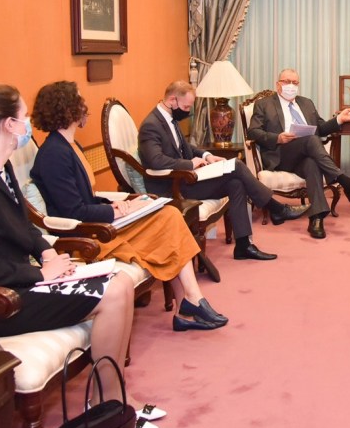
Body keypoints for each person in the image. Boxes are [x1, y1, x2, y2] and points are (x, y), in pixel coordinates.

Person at [0, 78, 163, 428]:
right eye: (24, 117)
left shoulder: (0, 168)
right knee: (112, 294)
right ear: (9, 125)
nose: (29, 124)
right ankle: (108, 406)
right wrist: (41, 275)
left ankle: (112, 398)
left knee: (122, 283)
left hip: (18, 283)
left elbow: (24, 226)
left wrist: (47, 252)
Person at [31, 81, 228, 332]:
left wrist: (115, 202)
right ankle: (190, 304)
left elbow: (85, 198)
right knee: (168, 219)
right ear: (68, 109)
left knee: (168, 215)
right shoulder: (53, 154)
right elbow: (73, 212)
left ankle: (189, 303)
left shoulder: (69, 146)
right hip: (87, 235)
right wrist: (115, 211)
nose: (85, 106)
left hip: (97, 222)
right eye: (80, 101)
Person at [138, 80, 310, 259]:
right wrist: (190, 164)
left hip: (185, 179)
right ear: (172, 100)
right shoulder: (151, 125)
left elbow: (186, 147)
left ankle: (243, 246)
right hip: (172, 187)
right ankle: (277, 208)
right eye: (186, 107)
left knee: (236, 183)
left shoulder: (169, 119)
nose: (187, 111)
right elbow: (156, 161)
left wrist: (207, 156)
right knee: (236, 165)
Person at [246, 68, 350, 240]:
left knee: (312, 163)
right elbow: (253, 132)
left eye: (295, 82)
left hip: (304, 155)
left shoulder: (306, 103)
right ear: (278, 84)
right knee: (312, 140)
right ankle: (344, 181)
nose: (291, 86)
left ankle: (316, 219)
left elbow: (321, 128)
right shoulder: (264, 104)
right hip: (281, 154)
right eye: (287, 82)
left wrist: (339, 119)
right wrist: (278, 138)